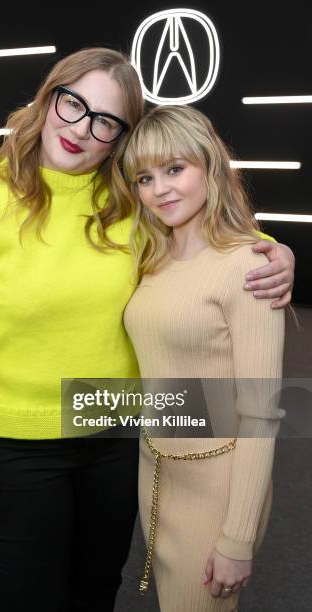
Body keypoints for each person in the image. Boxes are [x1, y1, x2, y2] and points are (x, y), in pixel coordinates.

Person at [0, 48, 294, 612]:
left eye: (105, 122)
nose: (80, 129)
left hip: (116, 432)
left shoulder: (127, 203)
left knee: (95, 592)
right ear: (49, 99)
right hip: (20, 443)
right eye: (73, 105)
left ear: (119, 138)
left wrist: (272, 252)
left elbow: (201, 239)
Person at [123, 104, 287, 611]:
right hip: (157, 473)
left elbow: (261, 414)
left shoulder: (249, 264)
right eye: (145, 177)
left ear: (209, 166)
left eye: (175, 169)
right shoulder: (150, 258)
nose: (160, 189)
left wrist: (237, 537)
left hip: (218, 489)